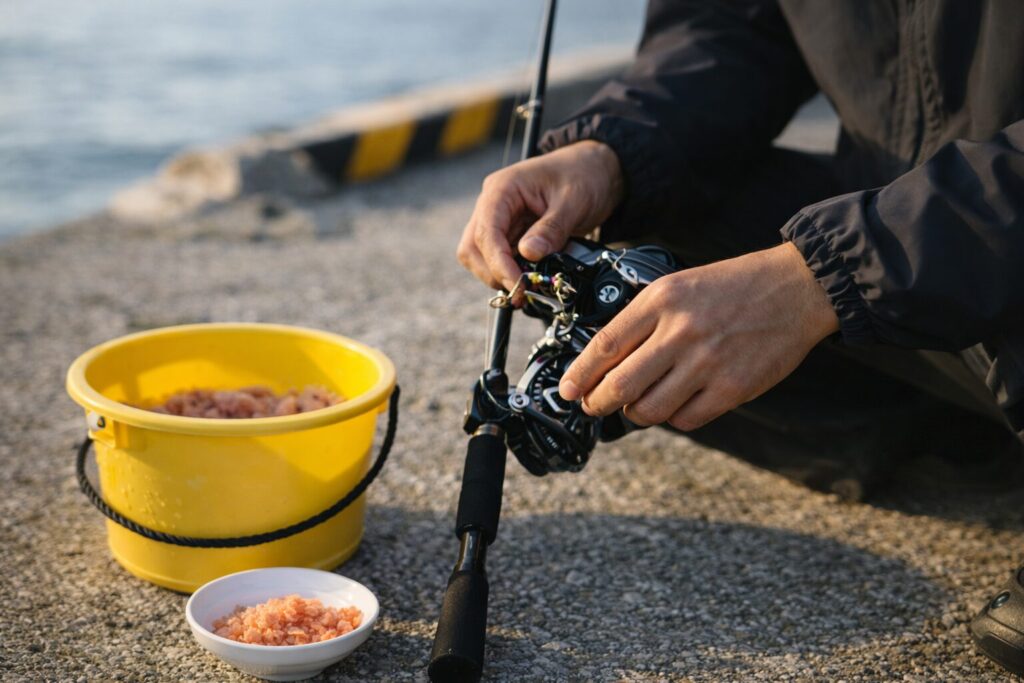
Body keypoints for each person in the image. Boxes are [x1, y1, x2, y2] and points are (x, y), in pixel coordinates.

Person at [456, 0, 1024, 675]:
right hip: (908, 238)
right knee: (635, 247)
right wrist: (610, 152)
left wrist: (819, 279)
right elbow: (732, 23)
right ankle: (954, 423)